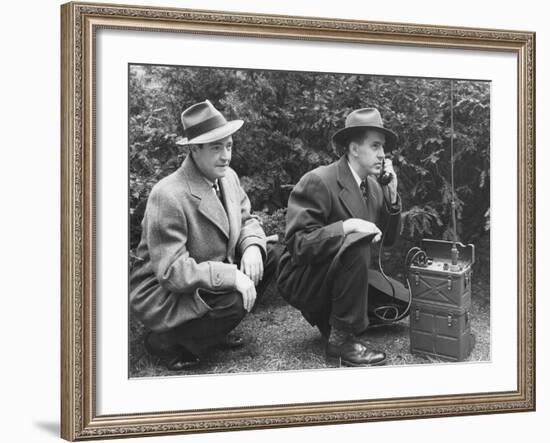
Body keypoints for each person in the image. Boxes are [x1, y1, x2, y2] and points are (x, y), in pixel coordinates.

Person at [130, 100, 280, 370]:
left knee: (273, 255)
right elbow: (172, 272)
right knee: (233, 302)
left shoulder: (228, 177)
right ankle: (165, 342)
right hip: (166, 293)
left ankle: (211, 333)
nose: (226, 156)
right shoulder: (168, 194)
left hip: (207, 276)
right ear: (194, 149)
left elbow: (247, 220)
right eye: (216, 147)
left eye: (229, 145)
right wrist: (231, 276)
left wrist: (253, 248)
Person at [277, 107, 408, 367]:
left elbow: (389, 240)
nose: (382, 154)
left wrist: (392, 196)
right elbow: (298, 245)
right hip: (304, 277)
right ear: (353, 148)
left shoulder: (374, 185)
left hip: (341, 273)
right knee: (355, 241)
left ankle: (341, 319)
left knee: (400, 301)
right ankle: (340, 341)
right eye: (375, 146)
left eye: (383, 148)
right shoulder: (319, 180)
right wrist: (346, 226)